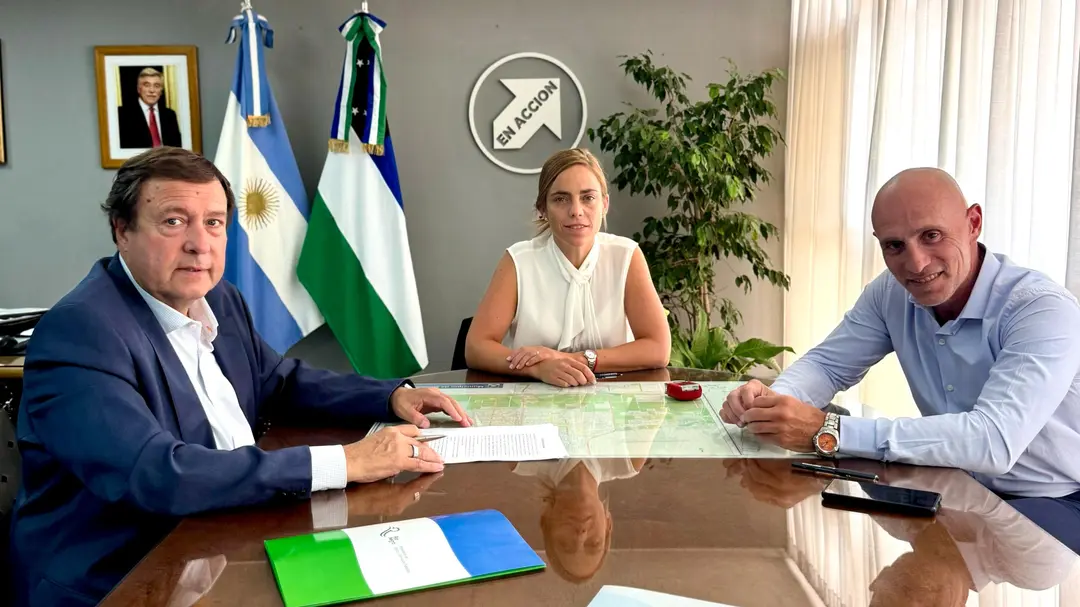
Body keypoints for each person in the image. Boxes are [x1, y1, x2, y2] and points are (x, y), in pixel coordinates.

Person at [8, 147, 471, 606]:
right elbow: (157, 474)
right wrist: (345, 462)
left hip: (225, 536)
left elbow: (278, 380)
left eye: (213, 222)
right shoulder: (81, 330)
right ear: (121, 231)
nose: (200, 244)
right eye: (174, 221)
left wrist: (390, 396)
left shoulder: (218, 297)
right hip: (125, 578)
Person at [720, 167, 1080, 546]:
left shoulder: (1040, 308)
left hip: (1056, 498)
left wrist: (829, 431)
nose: (916, 264)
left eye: (931, 235)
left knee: (937, 554)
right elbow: (827, 366)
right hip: (953, 481)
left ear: (973, 223)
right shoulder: (890, 293)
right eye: (894, 246)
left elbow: (992, 441)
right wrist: (772, 402)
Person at [465, 148, 671, 387]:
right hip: (534, 398)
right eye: (561, 199)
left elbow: (658, 348)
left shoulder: (626, 255)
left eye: (588, 197)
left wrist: (572, 360)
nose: (576, 211)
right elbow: (476, 347)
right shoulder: (518, 260)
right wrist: (539, 368)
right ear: (542, 209)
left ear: (604, 204)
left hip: (613, 399)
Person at [117, 67, 182, 149]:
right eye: (147, 85)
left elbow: (177, 147)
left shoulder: (170, 115)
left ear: (161, 91)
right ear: (138, 89)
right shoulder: (122, 114)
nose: (152, 90)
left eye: (157, 86)